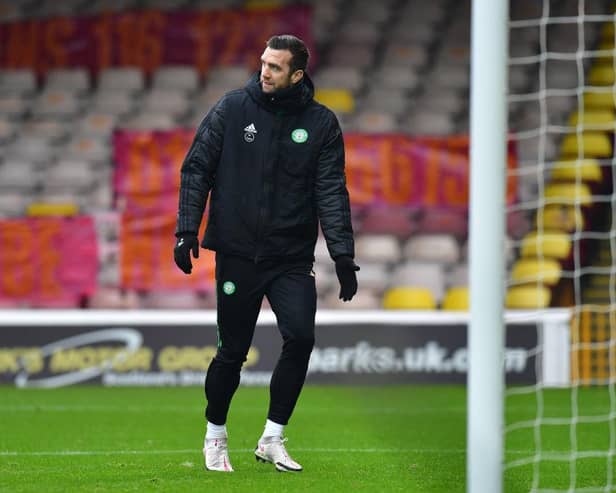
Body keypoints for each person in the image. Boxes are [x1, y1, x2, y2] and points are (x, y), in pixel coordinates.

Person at [173, 34, 359, 473]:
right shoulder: (232, 108)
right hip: (238, 253)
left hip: (291, 258)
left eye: (275, 67)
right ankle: (214, 434)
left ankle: (272, 437)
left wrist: (343, 255)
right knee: (232, 353)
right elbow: (197, 168)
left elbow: (331, 192)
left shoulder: (321, 124)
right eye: (263, 62)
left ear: (297, 75)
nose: (264, 71)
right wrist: (186, 231)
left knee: (301, 338)